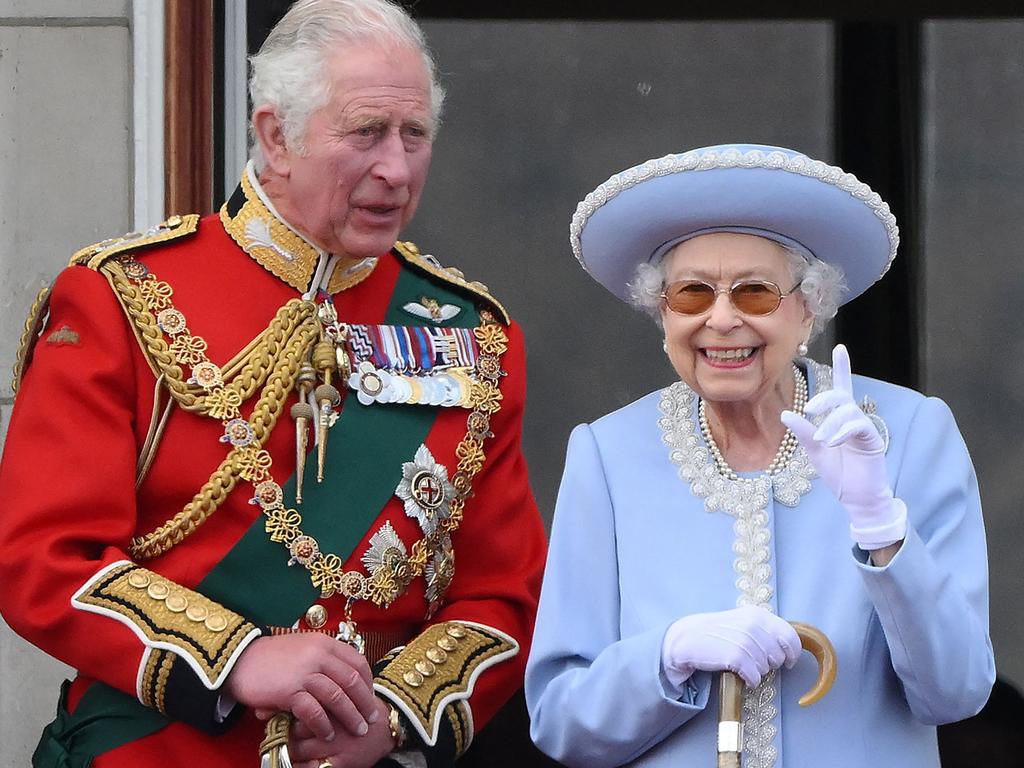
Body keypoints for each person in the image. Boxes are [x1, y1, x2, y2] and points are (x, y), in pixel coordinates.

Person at [0, 1, 547, 766]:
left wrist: (389, 716)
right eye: (366, 132)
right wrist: (237, 660)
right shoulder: (122, 296)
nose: (395, 167)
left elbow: (505, 598)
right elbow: (46, 557)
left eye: (414, 134)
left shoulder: (472, 336)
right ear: (275, 135)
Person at [525, 143, 995, 767]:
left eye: (755, 293)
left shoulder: (911, 433)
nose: (721, 320)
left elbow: (957, 691)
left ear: (808, 310)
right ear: (662, 315)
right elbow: (562, 722)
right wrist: (665, 656)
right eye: (692, 294)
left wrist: (883, 528)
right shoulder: (607, 455)